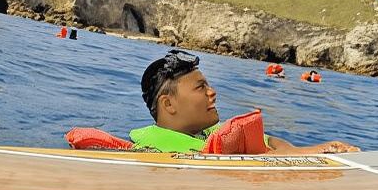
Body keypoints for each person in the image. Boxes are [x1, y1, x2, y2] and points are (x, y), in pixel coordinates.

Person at [133, 49, 358, 154]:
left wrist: (299, 150)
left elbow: (270, 141)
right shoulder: (157, 155)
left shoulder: (210, 133)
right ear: (168, 104)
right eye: (201, 87)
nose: (212, 92)